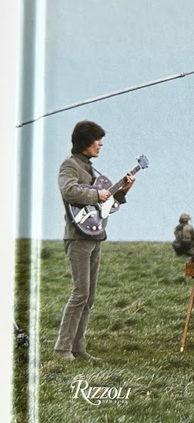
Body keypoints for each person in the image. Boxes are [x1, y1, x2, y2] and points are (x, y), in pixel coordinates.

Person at [54, 120, 135, 361]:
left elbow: (104, 207)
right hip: (77, 238)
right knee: (80, 293)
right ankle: (61, 349)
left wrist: (123, 192)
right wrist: (95, 194)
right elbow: (68, 191)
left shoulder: (90, 169)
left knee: (88, 297)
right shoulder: (70, 166)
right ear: (84, 142)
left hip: (94, 237)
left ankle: (78, 349)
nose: (100, 144)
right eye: (97, 139)